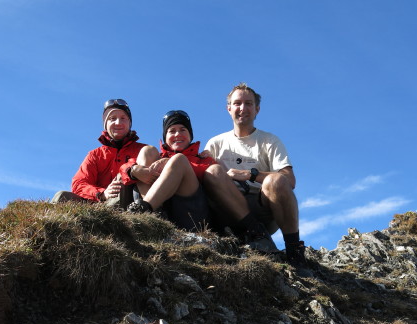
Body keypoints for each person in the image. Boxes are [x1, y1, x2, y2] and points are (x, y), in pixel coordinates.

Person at [204, 83, 306, 266]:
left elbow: (289, 180)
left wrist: (250, 174)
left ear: (257, 109)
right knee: (211, 171)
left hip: (263, 208)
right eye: (237, 103)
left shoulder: (270, 141)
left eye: (248, 104)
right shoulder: (215, 143)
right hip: (227, 208)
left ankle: (294, 250)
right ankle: (253, 231)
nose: (242, 108)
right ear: (229, 109)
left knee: (277, 180)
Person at [124, 110, 215, 231]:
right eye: (171, 131)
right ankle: (154, 216)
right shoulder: (157, 157)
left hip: (191, 216)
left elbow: (210, 175)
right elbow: (124, 168)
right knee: (147, 151)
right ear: (165, 137)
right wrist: (133, 170)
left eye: (183, 130)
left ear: (190, 135)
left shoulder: (203, 159)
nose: (177, 134)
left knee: (179, 160)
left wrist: (171, 163)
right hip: (164, 212)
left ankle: (145, 208)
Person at [50, 98, 145, 208]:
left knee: (121, 189)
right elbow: (79, 183)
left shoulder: (143, 150)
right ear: (105, 124)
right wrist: (101, 193)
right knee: (61, 196)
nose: (118, 123)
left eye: (123, 118)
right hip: (96, 202)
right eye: (112, 118)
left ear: (129, 123)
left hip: (128, 202)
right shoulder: (94, 154)